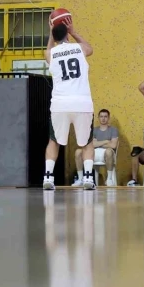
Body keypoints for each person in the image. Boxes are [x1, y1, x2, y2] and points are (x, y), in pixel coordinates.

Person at [43, 17, 95, 190]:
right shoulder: (78, 48)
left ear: (53, 35)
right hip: (82, 103)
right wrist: (74, 31)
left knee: (53, 141)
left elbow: (48, 49)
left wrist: (52, 34)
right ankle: (88, 178)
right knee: (86, 143)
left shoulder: (51, 54)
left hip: (60, 104)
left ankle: (48, 177)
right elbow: (90, 49)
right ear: (67, 34)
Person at [74, 109, 119, 186]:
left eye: (105, 116)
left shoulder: (113, 130)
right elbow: (92, 144)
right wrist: (106, 141)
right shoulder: (94, 130)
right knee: (78, 151)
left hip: (108, 154)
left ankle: (109, 179)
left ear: (108, 118)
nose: (103, 118)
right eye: (101, 116)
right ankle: (80, 179)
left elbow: (113, 145)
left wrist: (98, 143)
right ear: (98, 118)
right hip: (93, 154)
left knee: (108, 151)